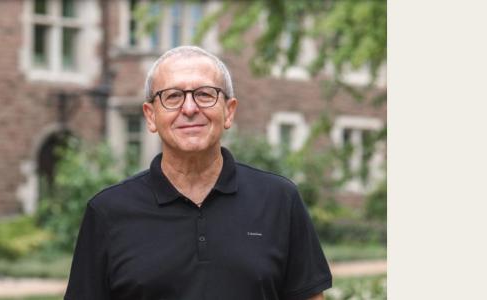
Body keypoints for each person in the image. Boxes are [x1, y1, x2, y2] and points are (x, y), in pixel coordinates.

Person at [64, 46, 332, 300]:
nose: (190, 108)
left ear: (229, 111)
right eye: (172, 96)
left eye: (205, 94)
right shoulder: (107, 212)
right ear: (150, 116)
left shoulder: (280, 201)